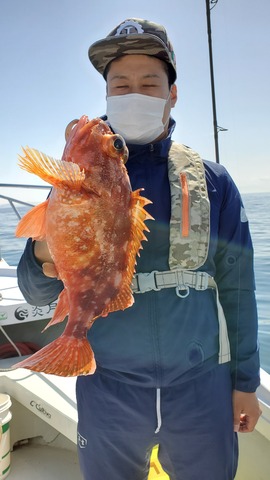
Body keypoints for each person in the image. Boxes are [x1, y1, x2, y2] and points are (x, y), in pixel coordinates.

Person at [17, 18, 261, 480]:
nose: (135, 93)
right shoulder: (73, 181)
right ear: (106, 94)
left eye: (150, 82)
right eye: (120, 84)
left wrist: (245, 383)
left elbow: (238, 289)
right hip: (108, 383)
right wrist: (49, 246)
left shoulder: (212, 182)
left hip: (201, 385)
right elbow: (34, 293)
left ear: (172, 93)